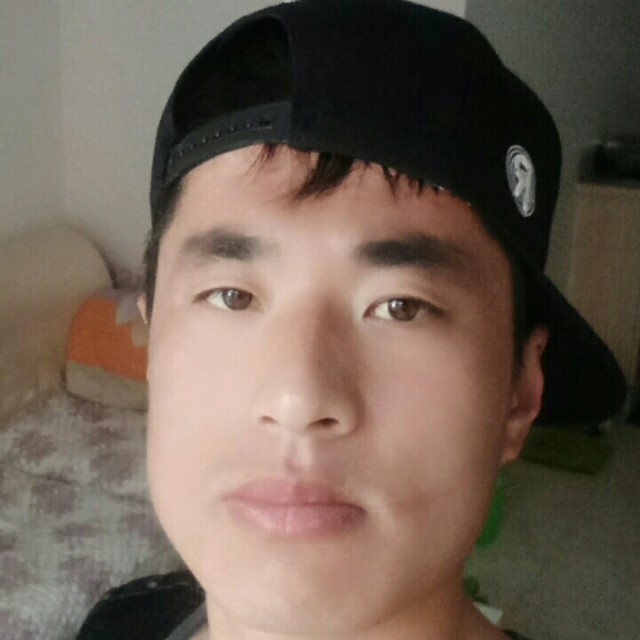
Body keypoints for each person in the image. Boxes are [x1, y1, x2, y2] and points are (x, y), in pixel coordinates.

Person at [77, 1, 625, 639]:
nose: (298, 398)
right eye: (231, 296)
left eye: (401, 307)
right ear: (152, 348)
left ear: (520, 393)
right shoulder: (116, 625)